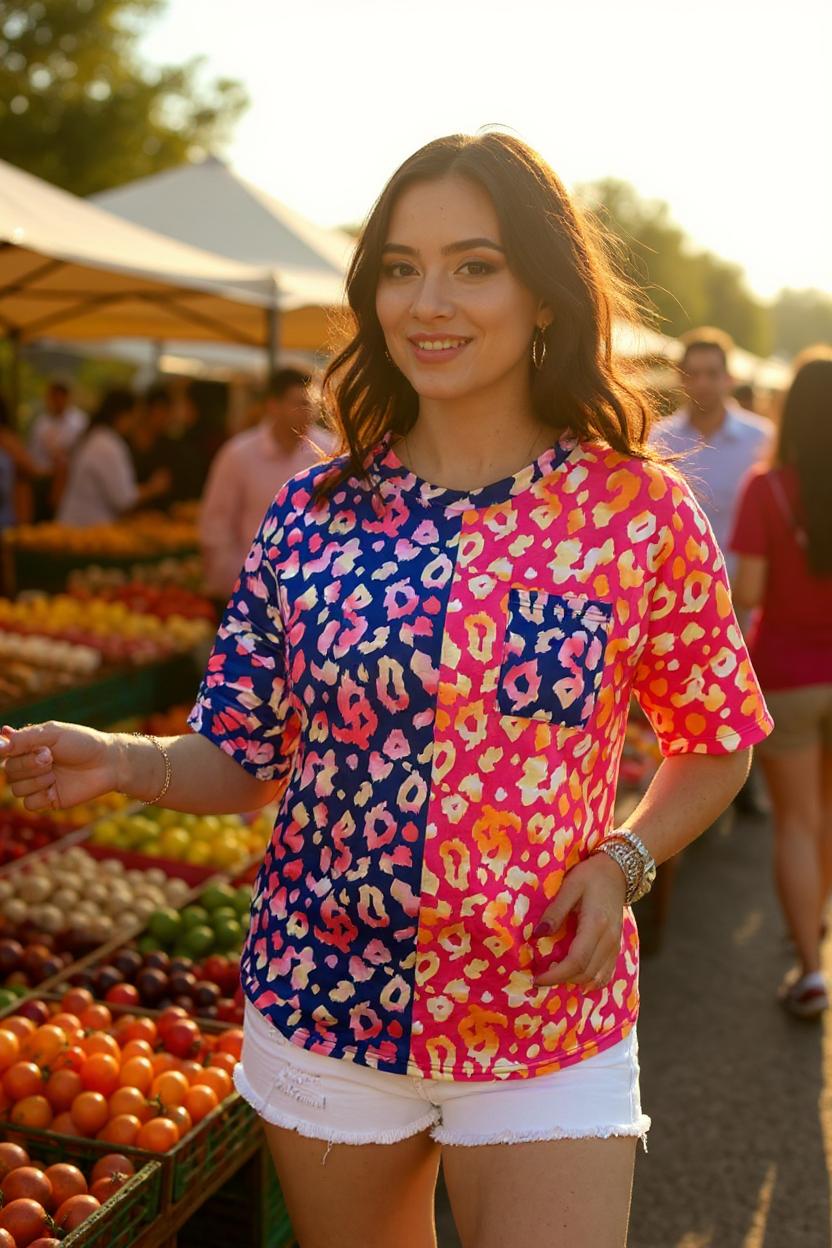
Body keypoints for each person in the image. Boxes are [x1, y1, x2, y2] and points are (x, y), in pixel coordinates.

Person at [0, 133, 774, 1248]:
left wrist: (623, 859)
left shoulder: (634, 513)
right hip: (323, 1006)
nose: (430, 301)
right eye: (401, 267)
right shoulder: (311, 514)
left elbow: (717, 740)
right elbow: (242, 754)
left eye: (473, 263)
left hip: (542, 1012)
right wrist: (125, 762)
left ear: (544, 294)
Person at [730, 356, 832, 1020]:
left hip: (789, 675)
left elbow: (752, 592)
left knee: (795, 820)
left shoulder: (765, 489)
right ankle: (814, 921)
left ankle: (812, 970)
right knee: (827, 815)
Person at [199, 369, 335, 599]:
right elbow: (216, 525)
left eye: (312, 402)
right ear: (273, 405)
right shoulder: (238, 455)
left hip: (316, 593)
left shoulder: (331, 451)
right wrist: (237, 584)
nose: (309, 411)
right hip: (251, 591)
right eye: (300, 403)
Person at [649, 328, 772, 580]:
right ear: (680, 379)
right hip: (675, 590)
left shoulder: (760, 439)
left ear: (729, 378)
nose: (702, 383)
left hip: (739, 593)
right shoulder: (657, 439)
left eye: (712, 374)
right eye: (693, 374)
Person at [57, 389, 170, 527]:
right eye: (135, 415)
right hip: (88, 530)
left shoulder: (96, 437)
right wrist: (153, 488)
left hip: (78, 525)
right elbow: (124, 500)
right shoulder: (109, 445)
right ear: (123, 415)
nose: (137, 421)